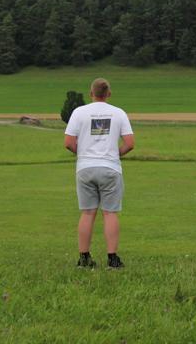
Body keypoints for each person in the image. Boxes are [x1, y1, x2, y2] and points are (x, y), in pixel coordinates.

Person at [64, 78, 134, 269]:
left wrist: (84, 154)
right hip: (110, 167)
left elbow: (68, 142)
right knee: (110, 213)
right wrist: (114, 155)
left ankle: (84, 258)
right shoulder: (118, 113)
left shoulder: (79, 112)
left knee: (87, 213)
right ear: (108, 93)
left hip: (85, 167)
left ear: (91, 93)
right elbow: (129, 143)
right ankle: (112, 259)